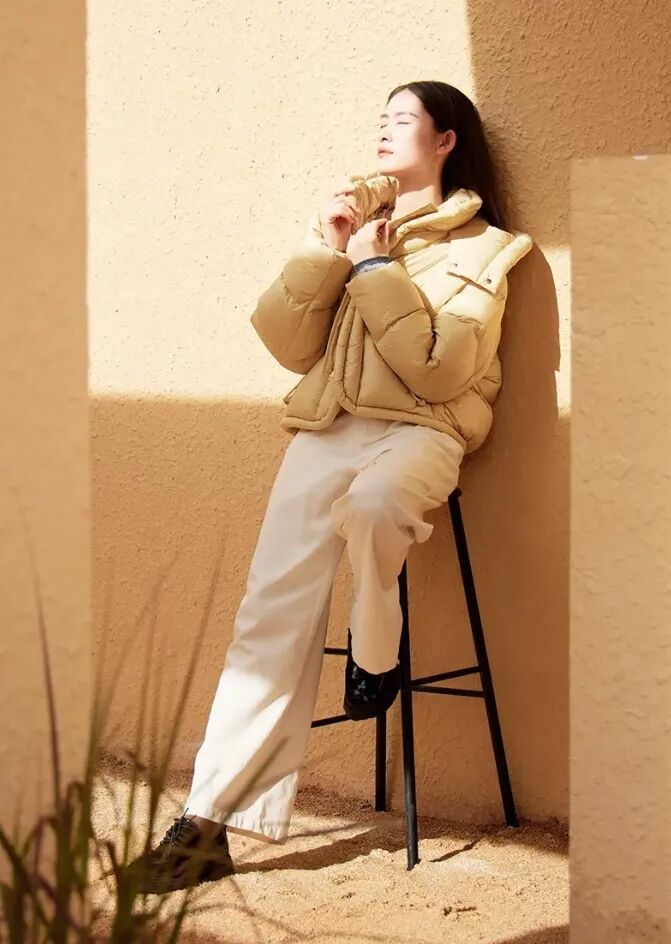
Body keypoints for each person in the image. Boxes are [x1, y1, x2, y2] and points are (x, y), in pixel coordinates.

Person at [125, 80, 533, 894]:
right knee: (267, 616)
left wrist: (374, 268)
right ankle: (205, 826)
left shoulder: (487, 248)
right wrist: (329, 249)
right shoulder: (346, 230)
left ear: (445, 140)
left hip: (422, 431)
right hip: (328, 426)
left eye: (402, 120)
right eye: (379, 119)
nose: (383, 131)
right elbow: (286, 345)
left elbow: (438, 368)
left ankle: (374, 651)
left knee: (375, 508)